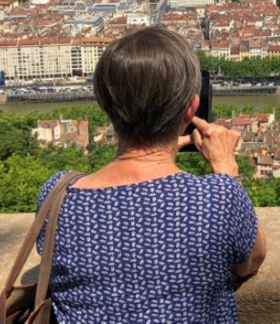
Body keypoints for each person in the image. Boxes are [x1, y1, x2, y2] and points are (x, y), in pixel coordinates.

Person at [35, 26, 266, 323]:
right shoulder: (218, 198)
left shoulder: (57, 196)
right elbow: (250, 261)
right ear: (191, 109)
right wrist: (226, 170)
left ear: (106, 105)